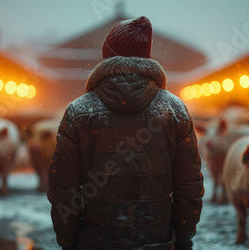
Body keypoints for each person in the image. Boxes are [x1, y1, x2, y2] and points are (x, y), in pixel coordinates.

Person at [47, 16, 204, 250]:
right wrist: (183, 237)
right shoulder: (175, 110)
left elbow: (64, 189)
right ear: (146, 57)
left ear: (107, 55)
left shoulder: (79, 112)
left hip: (97, 241)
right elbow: (188, 185)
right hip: (158, 241)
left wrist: (68, 241)